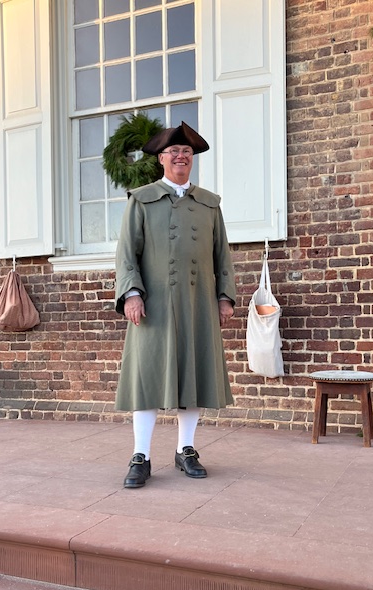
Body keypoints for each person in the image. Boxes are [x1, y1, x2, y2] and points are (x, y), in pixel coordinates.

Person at [115, 121, 236, 488]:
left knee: (193, 374)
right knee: (147, 376)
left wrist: (225, 296)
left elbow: (222, 255)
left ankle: (186, 450)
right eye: (174, 151)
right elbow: (126, 253)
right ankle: (141, 455)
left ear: (192, 159)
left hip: (199, 303)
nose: (181, 156)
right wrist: (132, 294)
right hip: (153, 304)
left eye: (187, 152)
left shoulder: (209, 204)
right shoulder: (141, 200)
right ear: (161, 159)